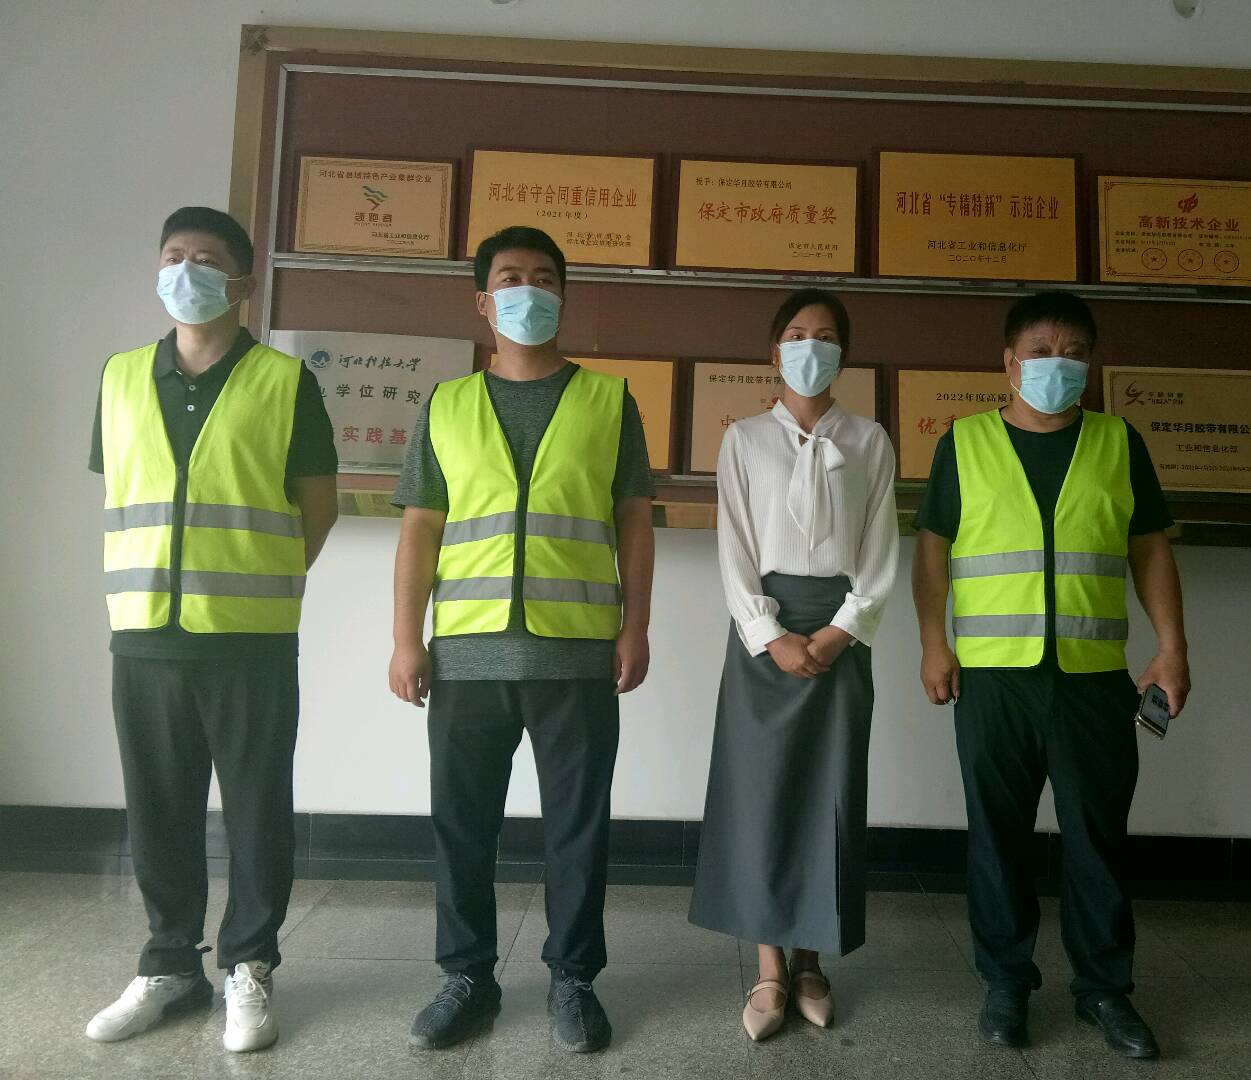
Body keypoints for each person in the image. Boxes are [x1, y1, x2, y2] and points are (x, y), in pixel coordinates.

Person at [390, 226, 655, 1054]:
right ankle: (467, 976)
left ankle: (573, 978)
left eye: (544, 278)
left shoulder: (609, 400)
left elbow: (634, 519)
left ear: (562, 296)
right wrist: (406, 639)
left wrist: (637, 625)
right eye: (510, 278)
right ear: (483, 300)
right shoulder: (446, 404)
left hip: (576, 651)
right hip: (466, 654)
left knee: (578, 826)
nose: (527, 291)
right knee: (461, 825)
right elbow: (420, 527)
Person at [85, 207, 339, 1053]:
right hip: (143, 630)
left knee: (257, 808)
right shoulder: (121, 376)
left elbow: (318, 507)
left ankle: (249, 964)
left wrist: (260, 578)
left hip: (248, 636)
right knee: (157, 808)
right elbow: (122, 489)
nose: (185, 271)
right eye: (173, 256)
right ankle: (169, 964)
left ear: (243, 282)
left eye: (205, 259)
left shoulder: (284, 382)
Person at [911, 291, 1189, 1060]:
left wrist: (1172, 646)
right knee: (996, 837)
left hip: (1092, 678)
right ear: (1009, 363)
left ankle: (1105, 990)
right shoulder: (965, 442)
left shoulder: (1117, 442)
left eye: (1073, 354)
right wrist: (933, 643)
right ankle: (1006, 983)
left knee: (1097, 838)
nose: (1056, 365)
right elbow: (932, 549)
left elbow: (1149, 547)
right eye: (1041, 352)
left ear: (1090, 365)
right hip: (992, 679)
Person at [689, 289, 899, 1041]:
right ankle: (771, 966)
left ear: (844, 353)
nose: (813, 346)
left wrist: (842, 631)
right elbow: (735, 546)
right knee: (762, 795)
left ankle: (813, 960)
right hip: (764, 637)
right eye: (799, 334)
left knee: (828, 792)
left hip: (841, 634)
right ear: (774, 350)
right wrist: (769, 633)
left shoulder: (869, 440)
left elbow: (880, 546)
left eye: (828, 335)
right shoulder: (744, 439)